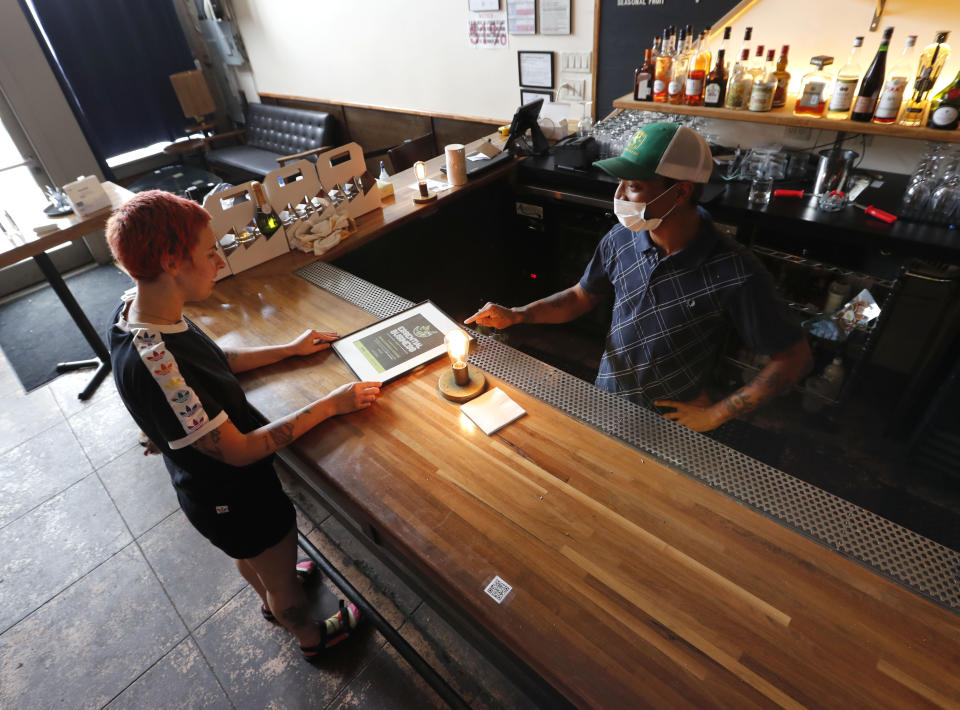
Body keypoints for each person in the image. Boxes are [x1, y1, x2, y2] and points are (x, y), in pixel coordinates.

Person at [106, 190, 382, 662]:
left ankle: (274, 595)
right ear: (172, 261)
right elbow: (237, 450)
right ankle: (311, 636)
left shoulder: (140, 311)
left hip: (205, 495)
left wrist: (289, 349)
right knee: (274, 568)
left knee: (254, 560)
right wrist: (330, 405)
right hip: (235, 496)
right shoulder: (159, 362)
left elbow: (213, 362)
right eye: (210, 251)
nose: (219, 260)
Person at [467, 122, 812, 432]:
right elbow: (580, 296)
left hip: (670, 420)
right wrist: (519, 314)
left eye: (632, 186)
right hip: (606, 393)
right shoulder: (621, 239)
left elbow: (794, 358)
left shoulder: (735, 270)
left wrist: (716, 414)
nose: (618, 196)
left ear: (680, 193)